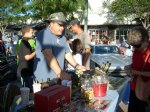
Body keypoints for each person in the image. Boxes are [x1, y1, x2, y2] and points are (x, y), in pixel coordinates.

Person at [34, 12, 85, 83]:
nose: (62, 28)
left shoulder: (63, 37)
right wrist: (60, 73)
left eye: (63, 25)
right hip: (44, 80)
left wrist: (77, 66)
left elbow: (67, 54)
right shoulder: (44, 34)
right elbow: (48, 55)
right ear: (51, 23)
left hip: (58, 79)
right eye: (60, 25)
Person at [125, 26, 150, 112]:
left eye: (137, 45)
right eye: (133, 46)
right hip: (134, 88)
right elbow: (136, 65)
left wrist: (137, 72)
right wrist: (129, 67)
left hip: (146, 91)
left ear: (146, 40)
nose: (135, 48)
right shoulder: (137, 51)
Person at [17, 26, 36, 92]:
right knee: (29, 90)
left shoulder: (24, 41)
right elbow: (27, 57)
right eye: (31, 32)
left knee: (26, 89)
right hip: (26, 70)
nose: (33, 34)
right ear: (26, 33)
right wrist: (36, 52)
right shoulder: (24, 42)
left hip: (25, 70)